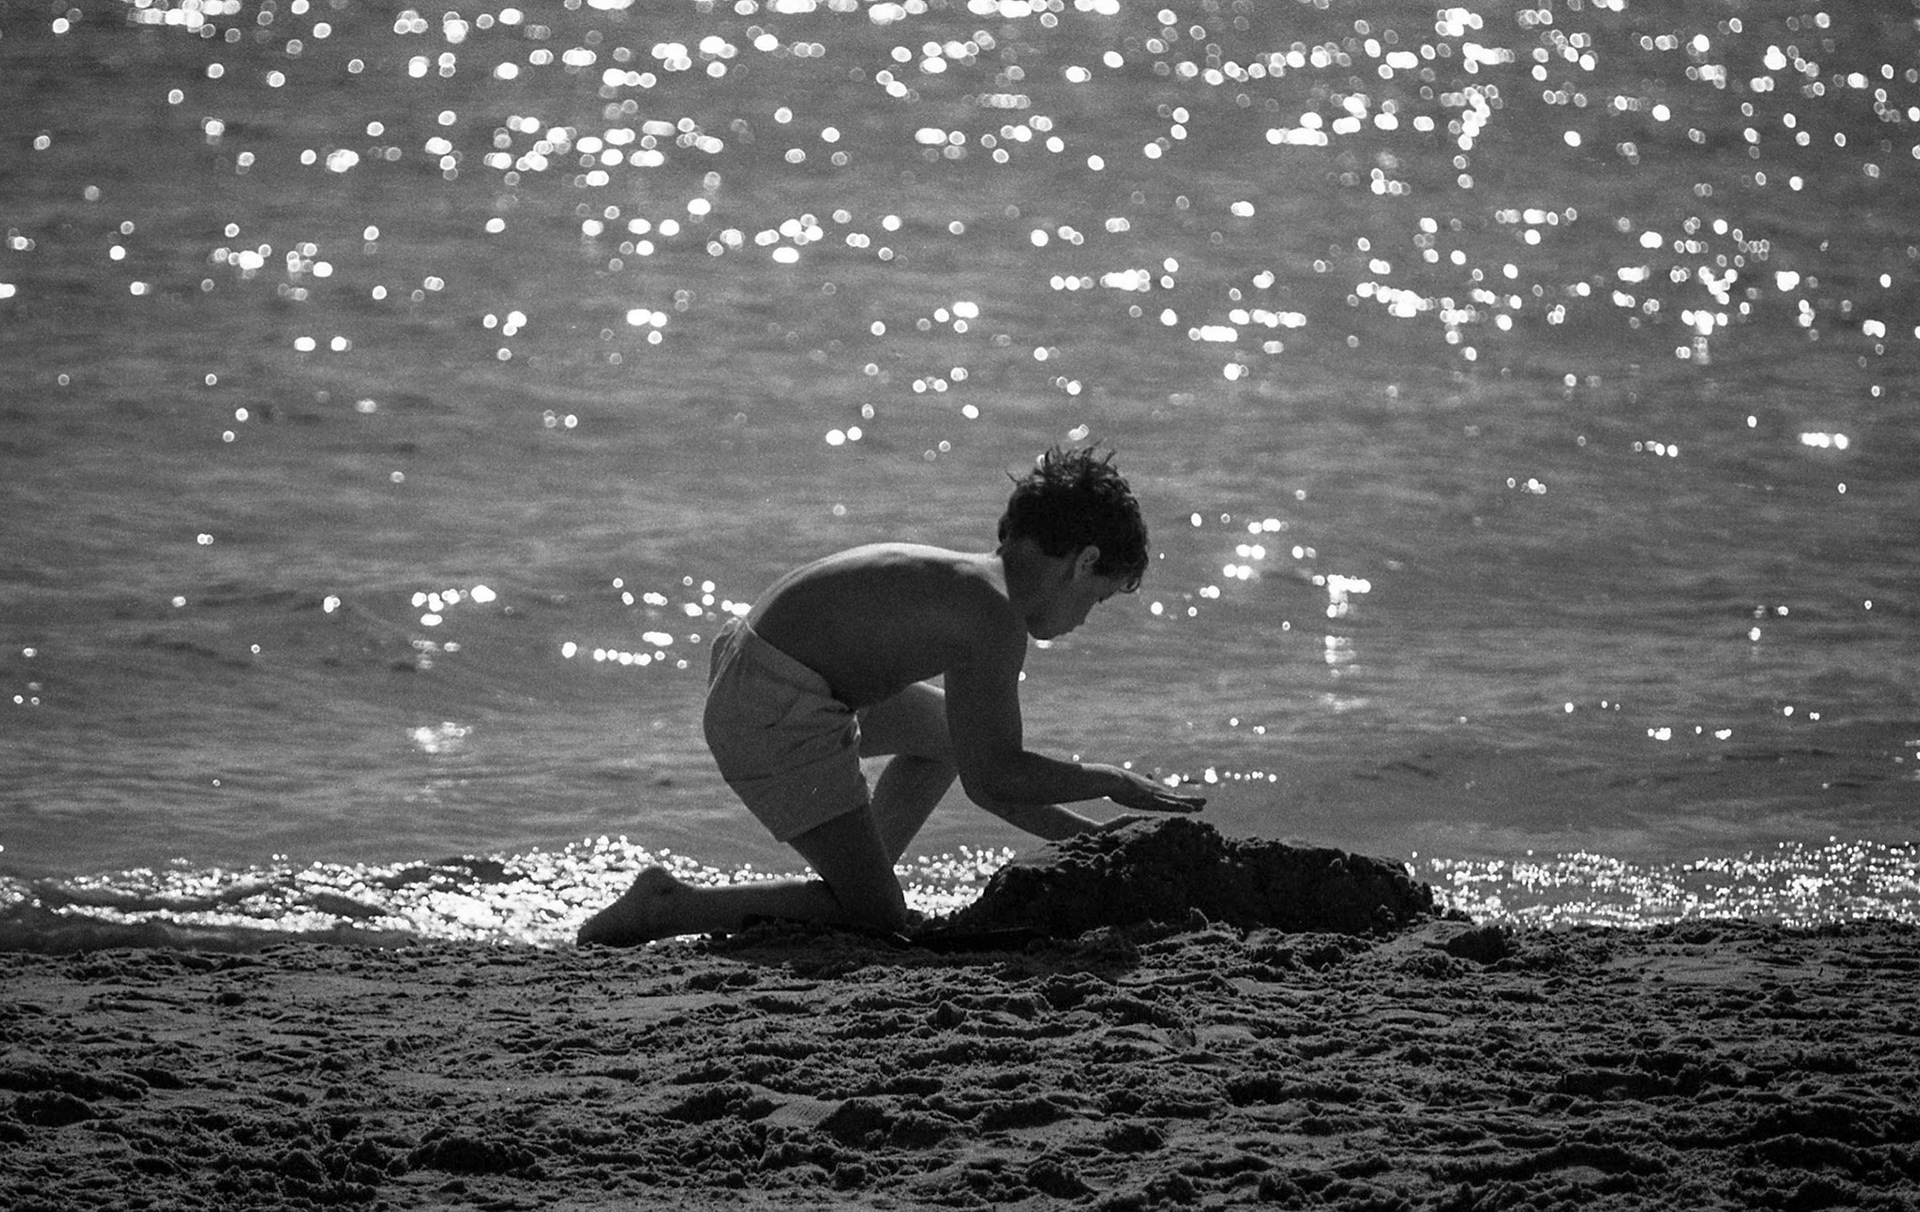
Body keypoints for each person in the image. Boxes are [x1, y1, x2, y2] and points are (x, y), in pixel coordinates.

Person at [577, 445, 1205, 945]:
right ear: (1082, 560)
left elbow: (983, 778)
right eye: (1095, 600)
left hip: (770, 678)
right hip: (774, 708)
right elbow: (1001, 772)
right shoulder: (992, 617)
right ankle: (669, 905)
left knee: (944, 742)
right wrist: (1107, 780)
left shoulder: (972, 585)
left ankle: (856, 878)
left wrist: (1090, 845)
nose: (1083, 621)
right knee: (878, 919)